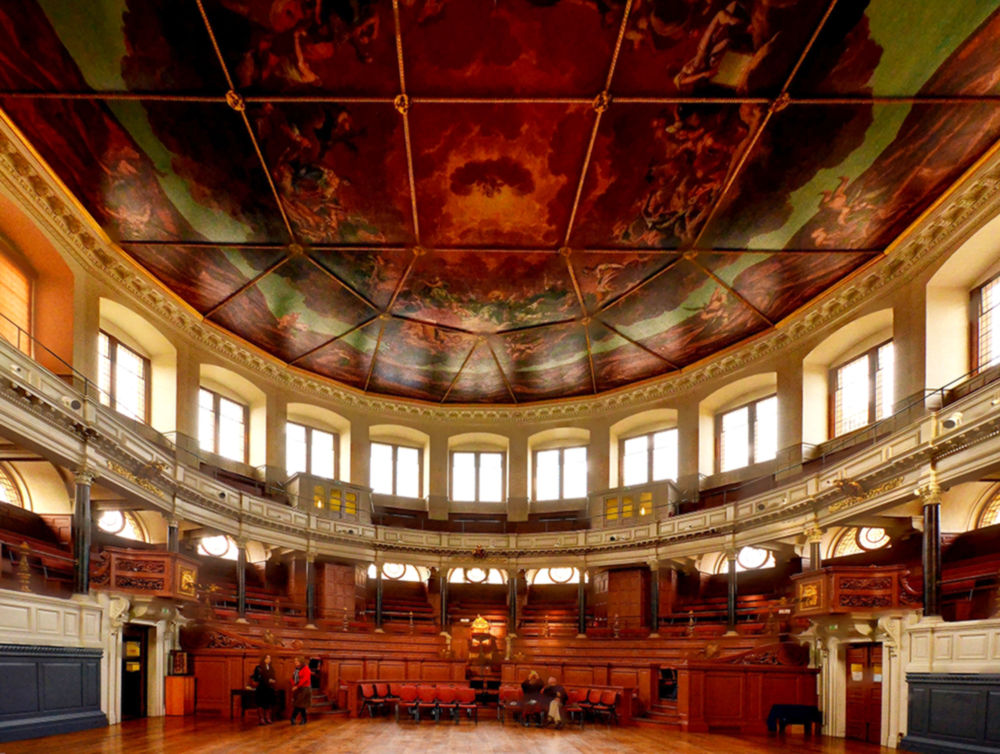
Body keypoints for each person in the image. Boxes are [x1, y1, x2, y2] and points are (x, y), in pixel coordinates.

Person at [251, 654, 276, 725]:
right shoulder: (259, 668)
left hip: (269, 688)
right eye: (267, 658)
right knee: (261, 703)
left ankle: (267, 718)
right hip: (261, 688)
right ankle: (261, 719)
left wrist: (273, 680)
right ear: (264, 659)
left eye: (270, 658)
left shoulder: (271, 668)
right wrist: (268, 680)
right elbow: (256, 678)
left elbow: (273, 676)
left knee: (268, 703)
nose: (269, 660)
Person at [290, 656, 311, 725]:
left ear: (300, 661)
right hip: (298, 688)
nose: (295, 662)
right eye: (295, 661)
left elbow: (305, 680)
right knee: (300, 705)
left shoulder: (306, 668)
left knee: (299, 704)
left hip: (305, 689)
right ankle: (304, 719)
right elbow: (293, 678)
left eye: (296, 661)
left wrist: (297, 686)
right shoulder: (296, 669)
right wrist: (293, 684)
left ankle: (293, 718)